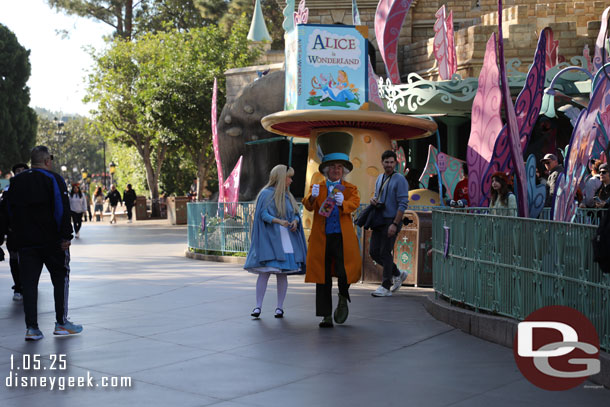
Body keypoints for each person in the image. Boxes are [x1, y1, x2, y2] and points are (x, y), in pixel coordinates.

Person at [0, 146, 82, 341]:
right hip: (52, 242)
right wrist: (66, 236)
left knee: (29, 284)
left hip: (25, 243)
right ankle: (61, 323)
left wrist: (7, 236)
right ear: (47, 161)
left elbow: (6, 211)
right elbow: (62, 209)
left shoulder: (15, 182)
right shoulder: (54, 179)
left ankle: (32, 328)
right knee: (60, 278)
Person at [303, 132, 361, 327]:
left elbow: (355, 203)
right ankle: (326, 315)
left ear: (343, 170)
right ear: (326, 169)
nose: (336, 170)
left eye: (340, 167)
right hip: (322, 238)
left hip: (343, 239)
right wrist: (312, 197)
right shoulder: (317, 186)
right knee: (323, 276)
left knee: (345, 273)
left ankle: (343, 297)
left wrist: (343, 202)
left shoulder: (349, 189)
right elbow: (308, 205)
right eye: (333, 166)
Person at [244, 165, 307, 318]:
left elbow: (296, 215)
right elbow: (262, 214)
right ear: (280, 177)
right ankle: (258, 306)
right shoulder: (266, 194)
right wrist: (278, 221)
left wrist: (295, 222)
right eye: (289, 177)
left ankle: (279, 307)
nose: (291, 180)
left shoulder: (288, 196)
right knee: (264, 274)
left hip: (286, 241)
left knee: (282, 274)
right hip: (271, 241)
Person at [369, 150, 410, 297]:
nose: (389, 165)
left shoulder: (400, 179)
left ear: (395, 163)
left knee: (385, 252)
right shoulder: (379, 178)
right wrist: (373, 200)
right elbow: (376, 195)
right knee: (373, 251)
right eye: (386, 162)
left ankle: (386, 286)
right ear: (382, 163)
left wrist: (394, 223)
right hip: (379, 220)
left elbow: (403, 203)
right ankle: (397, 273)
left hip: (392, 220)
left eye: (392, 162)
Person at [0, 163, 29, 301]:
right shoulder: (7, 193)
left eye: (24, 171)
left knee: (29, 260)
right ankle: (18, 286)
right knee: (14, 259)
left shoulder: (34, 190)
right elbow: (3, 215)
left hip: (31, 233)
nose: (21, 173)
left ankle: (27, 284)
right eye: (18, 171)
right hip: (13, 233)